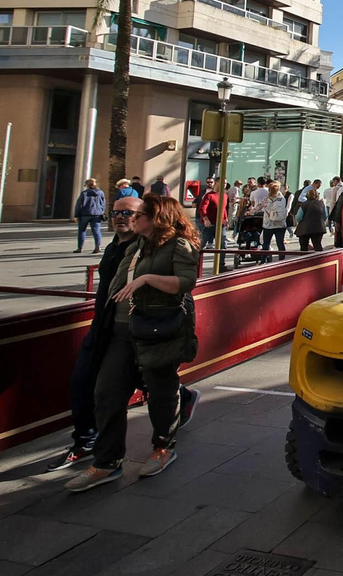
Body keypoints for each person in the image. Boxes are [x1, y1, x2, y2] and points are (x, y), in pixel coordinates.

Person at [46, 194, 199, 472]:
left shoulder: (178, 245)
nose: (131, 219)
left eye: (139, 215)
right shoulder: (134, 246)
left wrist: (147, 279)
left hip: (155, 327)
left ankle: (163, 447)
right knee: (106, 393)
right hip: (119, 329)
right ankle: (106, 461)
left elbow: (187, 281)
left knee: (161, 391)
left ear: (157, 218)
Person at [73, 178, 107, 254]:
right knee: (96, 230)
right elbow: (103, 203)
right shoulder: (100, 193)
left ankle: (80, 248)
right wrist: (102, 211)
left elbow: (79, 204)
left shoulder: (84, 193)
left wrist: (76, 215)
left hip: (84, 214)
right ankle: (98, 246)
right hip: (97, 214)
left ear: (87, 185)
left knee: (82, 231)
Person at [196, 180, 227, 251]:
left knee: (222, 244)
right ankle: (194, 260)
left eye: (225, 183)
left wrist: (226, 219)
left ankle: (221, 262)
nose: (224, 185)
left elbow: (224, 208)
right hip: (210, 223)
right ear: (216, 183)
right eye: (223, 182)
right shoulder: (209, 195)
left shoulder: (225, 196)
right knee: (201, 243)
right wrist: (205, 219)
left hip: (221, 223)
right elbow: (202, 208)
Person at [295, 186, 329, 251]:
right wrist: (321, 221)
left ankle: (304, 260)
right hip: (318, 227)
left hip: (305, 227)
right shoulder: (321, 204)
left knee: (303, 246)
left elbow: (299, 217)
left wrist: (300, 222)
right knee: (317, 245)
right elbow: (325, 215)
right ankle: (319, 260)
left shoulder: (304, 204)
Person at [261, 182, 289, 252]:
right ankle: (282, 260)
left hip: (268, 224)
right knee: (280, 244)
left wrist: (251, 212)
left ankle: (264, 261)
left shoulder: (266, 200)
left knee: (266, 244)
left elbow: (259, 206)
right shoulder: (282, 199)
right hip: (280, 224)